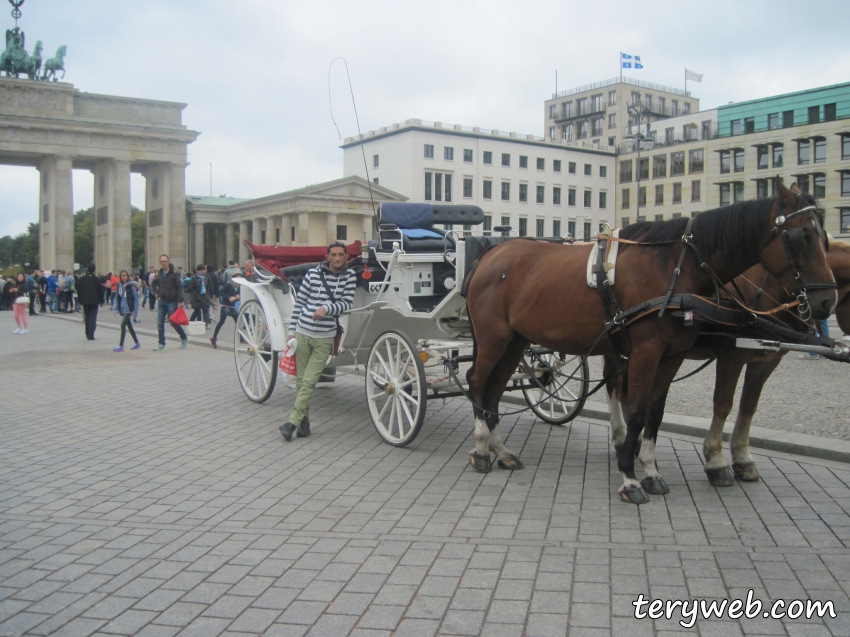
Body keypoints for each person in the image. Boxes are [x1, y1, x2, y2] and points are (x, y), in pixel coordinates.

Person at [279, 242, 356, 441]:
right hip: (303, 333)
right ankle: (304, 424)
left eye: (341, 255)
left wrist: (326, 309)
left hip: (325, 337)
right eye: (334, 255)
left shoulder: (350, 277)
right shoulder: (313, 274)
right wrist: (291, 332)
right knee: (301, 380)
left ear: (346, 256)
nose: (337, 258)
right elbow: (300, 304)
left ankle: (292, 422)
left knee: (310, 381)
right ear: (327, 256)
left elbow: (347, 303)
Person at [152, 254, 188, 351]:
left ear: (168, 262)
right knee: (160, 322)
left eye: (165, 261)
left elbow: (180, 287)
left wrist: (180, 300)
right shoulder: (159, 274)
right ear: (160, 263)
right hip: (162, 301)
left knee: (173, 322)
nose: (164, 263)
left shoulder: (174, 274)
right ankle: (161, 343)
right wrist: (158, 295)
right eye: (162, 261)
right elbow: (156, 285)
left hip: (172, 301)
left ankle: (184, 337)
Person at [111, 270, 141, 352]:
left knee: (122, 325)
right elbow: (117, 298)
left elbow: (136, 299)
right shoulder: (119, 286)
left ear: (127, 276)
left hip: (129, 309)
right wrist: (115, 309)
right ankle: (137, 343)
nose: (123, 277)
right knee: (130, 327)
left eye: (125, 275)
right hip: (123, 309)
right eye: (122, 275)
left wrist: (135, 312)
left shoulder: (131, 286)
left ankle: (121, 345)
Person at [210, 278, 240, 349]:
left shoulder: (238, 287)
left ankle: (240, 337)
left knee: (238, 321)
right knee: (221, 322)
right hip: (225, 306)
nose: (237, 284)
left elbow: (237, 297)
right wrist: (228, 297)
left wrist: (237, 298)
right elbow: (221, 292)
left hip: (232, 307)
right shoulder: (228, 285)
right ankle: (214, 338)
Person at [77, 263, 103, 340]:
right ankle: (91, 334)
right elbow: (100, 290)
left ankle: (87, 333)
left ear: (87, 269)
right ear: (94, 270)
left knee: (87, 316)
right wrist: (102, 300)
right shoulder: (97, 279)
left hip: (85, 300)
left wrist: (80, 300)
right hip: (95, 300)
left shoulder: (82, 279)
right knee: (93, 317)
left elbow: (79, 289)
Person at [188, 264, 211, 328]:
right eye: (201, 270)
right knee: (197, 310)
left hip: (205, 295)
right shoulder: (194, 278)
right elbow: (191, 288)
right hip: (197, 297)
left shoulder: (206, 277)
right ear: (198, 271)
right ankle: (191, 321)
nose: (202, 271)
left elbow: (208, 286)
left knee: (206, 310)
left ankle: (206, 324)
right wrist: (195, 295)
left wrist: (208, 294)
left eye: (203, 270)